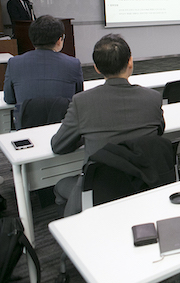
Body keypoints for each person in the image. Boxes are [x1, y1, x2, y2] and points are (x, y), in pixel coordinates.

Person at [51, 34, 165, 215]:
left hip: (100, 190)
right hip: (144, 182)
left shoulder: (82, 102)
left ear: (96, 68)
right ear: (130, 62)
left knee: (60, 186)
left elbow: (58, 145)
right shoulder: (152, 98)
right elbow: (158, 134)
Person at [3, 15, 83, 129]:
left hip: (26, 128)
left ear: (31, 38)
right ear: (60, 40)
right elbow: (77, 97)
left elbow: (9, 99)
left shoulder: (14, 63)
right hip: (63, 129)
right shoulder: (73, 64)